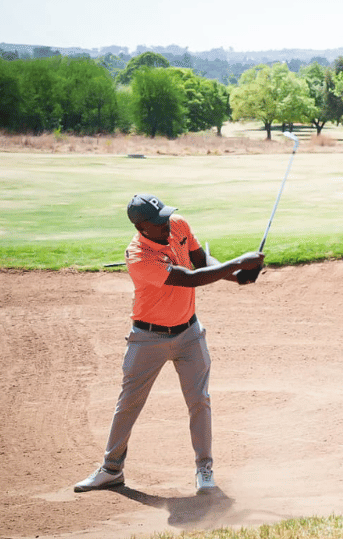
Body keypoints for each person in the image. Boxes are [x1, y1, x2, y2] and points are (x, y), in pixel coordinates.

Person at [74, 193, 263, 495]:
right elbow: (189, 278)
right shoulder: (138, 255)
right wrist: (238, 262)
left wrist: (238, 276)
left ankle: (204, 469)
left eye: (166, 216)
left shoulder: (177, 225)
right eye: (159, 222)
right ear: (142, 227)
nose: (167, 224)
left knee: (199, 401)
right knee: (129, 403)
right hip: (148, 338)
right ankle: (111, 470)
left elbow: (202, 261)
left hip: (189, 333)